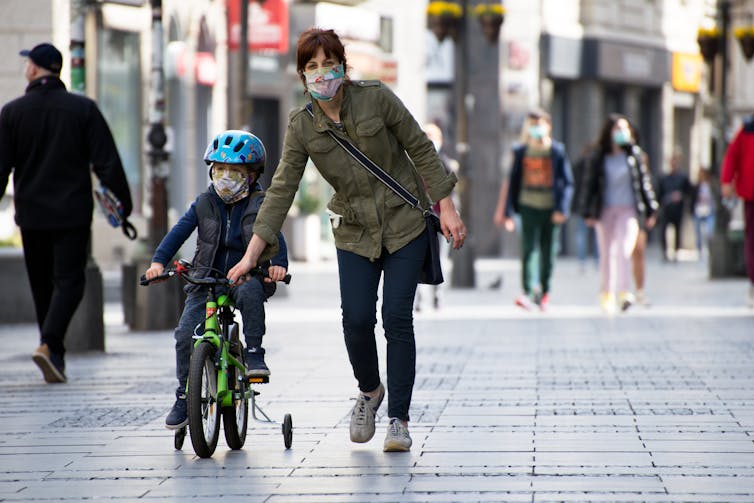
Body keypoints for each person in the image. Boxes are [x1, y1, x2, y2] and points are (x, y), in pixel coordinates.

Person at [226, 28, 466, 452]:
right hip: (354, 231)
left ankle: (399, 420)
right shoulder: (302, 127)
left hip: (404, 222)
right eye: (312, 67)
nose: (322, 73)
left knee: (396, 318)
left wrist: (446, 206)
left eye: (328, 63)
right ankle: (371, 391)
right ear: (303, 76)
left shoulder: (376, 98)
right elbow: (281, 190)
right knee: (356, 320)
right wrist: (250, 256)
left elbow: (420, 146)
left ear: (342, 66)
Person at [0, 43, 132, 383]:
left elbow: (1, 168)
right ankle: (49, 346)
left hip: (31, 215)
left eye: (27, 62)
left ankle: (52, 351)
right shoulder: (82, 110)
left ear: (34, 69)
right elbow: (107, 162)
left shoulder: (12, 113)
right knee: (71, 282)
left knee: (42, 285)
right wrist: (123, 205)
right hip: (72, 213)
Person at [143, 130, 289, 429]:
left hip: (246, 275)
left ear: (251, 175)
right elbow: (178, 233)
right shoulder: (204, 203)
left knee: (250, 295)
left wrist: (278, 265)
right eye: (219, 169)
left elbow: (275, 235)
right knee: (185, 334)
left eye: (234, 171)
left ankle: (254, 353)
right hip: (205, 278)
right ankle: (184, 396)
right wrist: (158, 262)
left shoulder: (261, 204)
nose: (225, 177)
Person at [578, 114, 658, 314]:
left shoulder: (635, 155)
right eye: (618, 129)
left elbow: (644, 185)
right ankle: (606, 293)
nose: (622, 133)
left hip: (628, 210)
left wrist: (651, 209)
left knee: (624, 250)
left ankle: (624, 293)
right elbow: (589, 185)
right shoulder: (598, 157)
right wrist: (587, 210)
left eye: (625, 129)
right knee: (607, 254)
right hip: (604, 211)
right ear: (609, 132)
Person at [500, 108, 574, 311]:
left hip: (551, 209)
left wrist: (562, 209)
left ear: (548, 126)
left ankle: (545, 291)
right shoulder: (521, 151)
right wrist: (508, 212)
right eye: (532, 125)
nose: (536, 129)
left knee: (548, 252)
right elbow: (512, 182)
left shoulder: (557, 152)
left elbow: (567, 182)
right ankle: (528, 292)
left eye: (539, 124)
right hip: (527, 206)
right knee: (528, 250)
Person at [414, 122, 458, 312]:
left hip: (440, 220)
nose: (429, 139)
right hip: (418, 219)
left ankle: (437, 296)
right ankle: (418, 299)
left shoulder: (446, 163)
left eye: (432, 136)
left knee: (439, 259)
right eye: (425, 135)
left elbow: (453, 192)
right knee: (415, 260)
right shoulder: (412, 163)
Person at [720, 115, 754, 308]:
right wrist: (727, 180)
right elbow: (732, 155)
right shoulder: (748, 128)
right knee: (751, 239)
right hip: (751, 193)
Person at [658, 149, 692, 262]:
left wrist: (680, 196)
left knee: (678, 230)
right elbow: (659, 193)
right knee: (664, 230)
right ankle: (665, 252)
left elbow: (689, 192)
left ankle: (676, 252)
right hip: (667, 208)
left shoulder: (683, 177)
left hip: (678, 209)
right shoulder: (664, 178)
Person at [691, 167, 715, 262]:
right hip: (698, 211)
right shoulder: (696, 186)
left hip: (709, 211)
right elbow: (692, 198)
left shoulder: (711, 186)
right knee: (698, 233)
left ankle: (710, 250)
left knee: (709, 231)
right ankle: (699, 251)